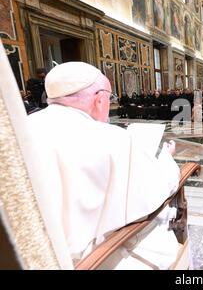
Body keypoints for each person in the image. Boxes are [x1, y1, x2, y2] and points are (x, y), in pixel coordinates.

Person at [28, 62, 181, 269]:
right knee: (160, 233)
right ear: (99, 99)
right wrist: (166, 159)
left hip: (29, 256)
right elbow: (156, 189)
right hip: (89, 259)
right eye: (109, 98)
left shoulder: (22, 127)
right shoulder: (113, 138)